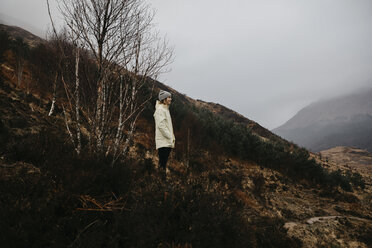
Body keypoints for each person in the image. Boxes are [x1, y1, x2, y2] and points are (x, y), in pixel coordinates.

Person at [154, 90, 175, 180]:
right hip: (163, 141)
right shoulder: (160, 110)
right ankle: (161, 183)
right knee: (162, 164)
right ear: (164, 99)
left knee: (163, 163)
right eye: (169, 97)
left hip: (166, 141)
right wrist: (169, 136)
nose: (170, 99)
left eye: (170, 97)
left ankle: (161, 182)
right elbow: (161, 126)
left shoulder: (165, 109)